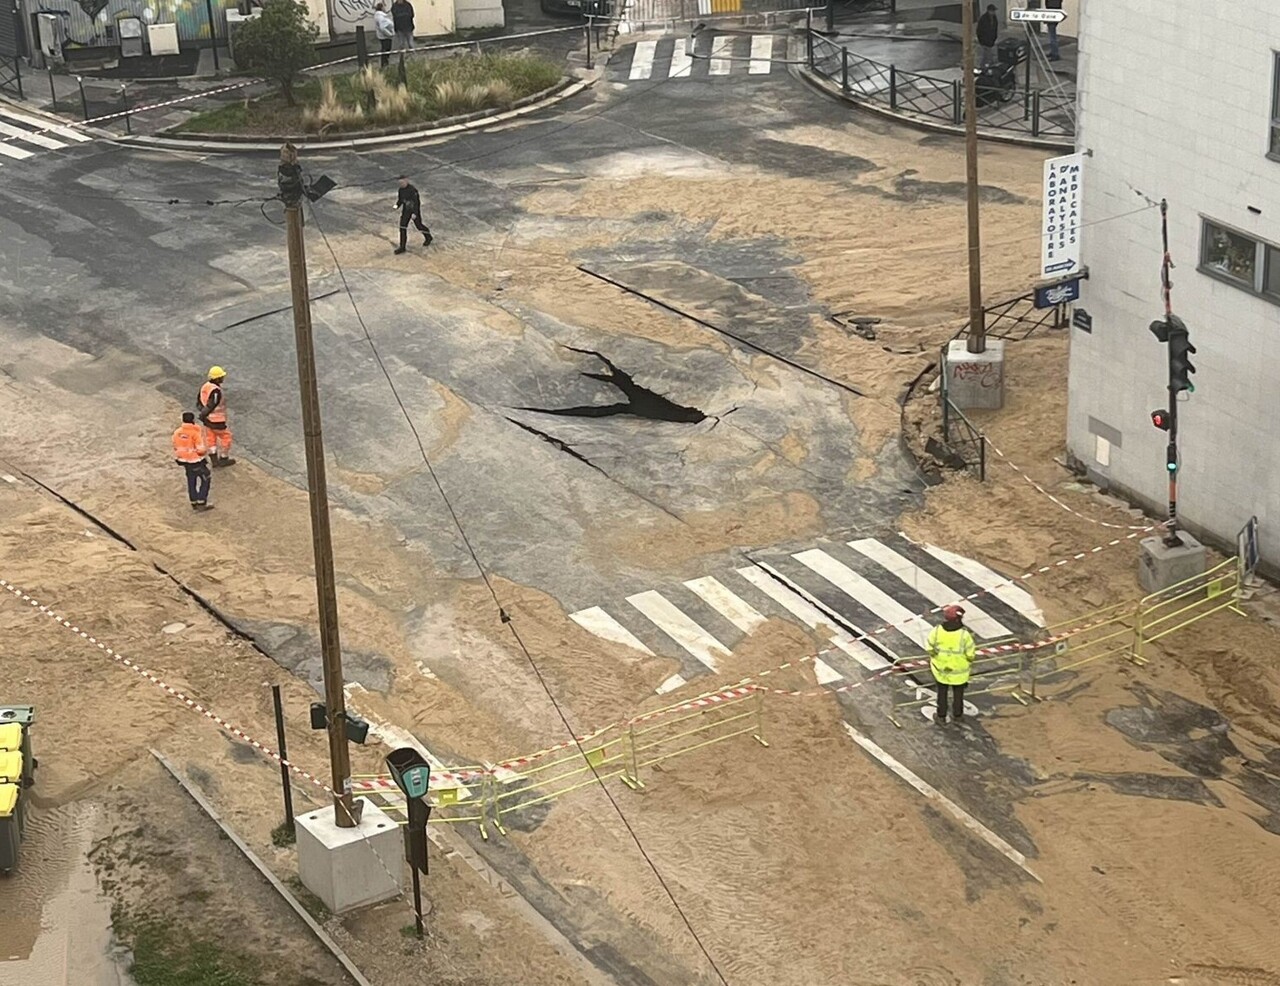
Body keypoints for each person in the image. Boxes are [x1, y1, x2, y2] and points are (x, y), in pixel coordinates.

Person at [927, 605, 976, 725]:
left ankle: (941, 716)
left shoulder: (937, 631)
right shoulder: (964, 635)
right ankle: (958, 716)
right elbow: (970, 654)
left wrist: (936, 657)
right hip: (959, 673)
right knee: (958, 695)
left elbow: (929, 648)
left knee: (942, 695)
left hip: (941, 670)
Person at [172, 411, 213, 511]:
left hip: (184, 461)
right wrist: (204, 452)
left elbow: (175, 446)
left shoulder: (177, 433)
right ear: (193, 420)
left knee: (191, 481)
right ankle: (201, 501)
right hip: (196, 461)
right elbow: (201, 449)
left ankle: (193, 501)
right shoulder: (195, 433)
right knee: (206, 478)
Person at [197, 366, 236, 467]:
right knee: (226, 437)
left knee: (211, 439)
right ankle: (223, 458)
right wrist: (203, 415)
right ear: (217, 378)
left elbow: (199, 402)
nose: (223, 378)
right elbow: (211, 405)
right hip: (216, 421)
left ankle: (214, 461)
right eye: (222, 377)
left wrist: (202, 415)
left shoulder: (205, 386)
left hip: (207, 420)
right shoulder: (215, 391)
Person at [394, 176, 432, 255]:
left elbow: (417, 203)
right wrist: (397, 205)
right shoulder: (401, 190)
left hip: (414, 211)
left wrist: (415, 213)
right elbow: (400, 200)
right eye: (400, 183)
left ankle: (428, 237)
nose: (401, 184)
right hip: (406, 211)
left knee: (419, 226)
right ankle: (402, 246)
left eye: (402, 183)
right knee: (402, 228)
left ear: (406, 181)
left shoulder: (413, 190)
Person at [977, 4, 999, 71]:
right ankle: (983, 67)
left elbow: (995, 28)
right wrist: (981, 40)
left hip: (991, 40)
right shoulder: (983, 18)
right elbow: (979, 30)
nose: (994, 12)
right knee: (986, 55)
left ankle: (986, 66)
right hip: (984, 40)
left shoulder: (994, 18)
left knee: (988, 55)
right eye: (993, 11)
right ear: (989, 11)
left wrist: (995, 37)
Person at [373, 2, 395, 68]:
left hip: (382, 36)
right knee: (386, 50)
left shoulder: (378, 15)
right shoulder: (381, 17)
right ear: (382, 8)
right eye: (384, 7)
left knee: (384, 50)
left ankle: (385, 63)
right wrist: (390, 34)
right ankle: (385, 64)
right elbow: (383, 28)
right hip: (385, 37)